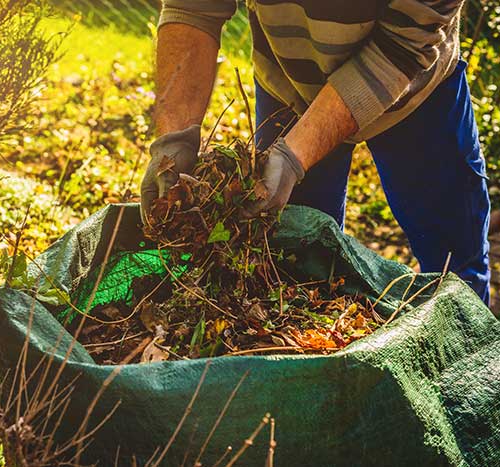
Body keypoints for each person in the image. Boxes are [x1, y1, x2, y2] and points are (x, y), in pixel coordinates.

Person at [140, 0, 491, 304]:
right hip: (290, 82)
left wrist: (295, 155)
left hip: (416, 94)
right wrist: (174, 139)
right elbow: (193, 8)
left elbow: (403, 42)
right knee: (294, 270)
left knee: (455, 271)